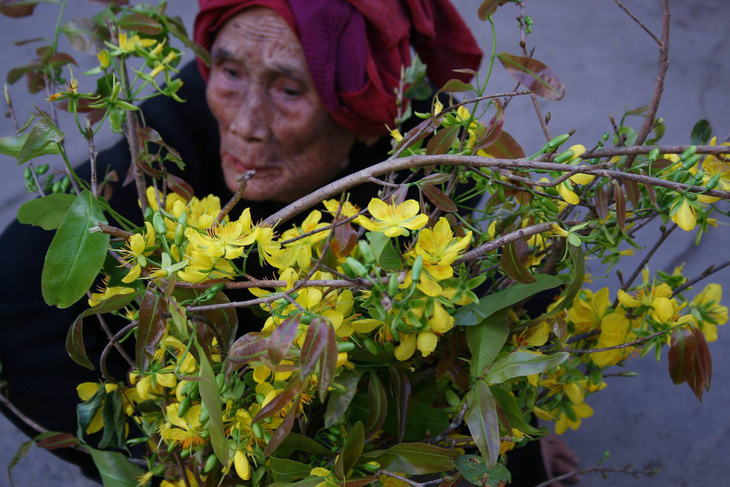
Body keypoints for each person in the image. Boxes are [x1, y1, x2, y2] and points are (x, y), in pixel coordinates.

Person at [0, 0, 553, 484]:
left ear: (365, 119)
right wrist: (172, 460)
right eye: (231, 73)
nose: (243, 125)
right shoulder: (167, 133)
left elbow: (471, 326)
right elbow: (15, 295)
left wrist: (501, 447)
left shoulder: (430, 164)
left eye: (289, 89)